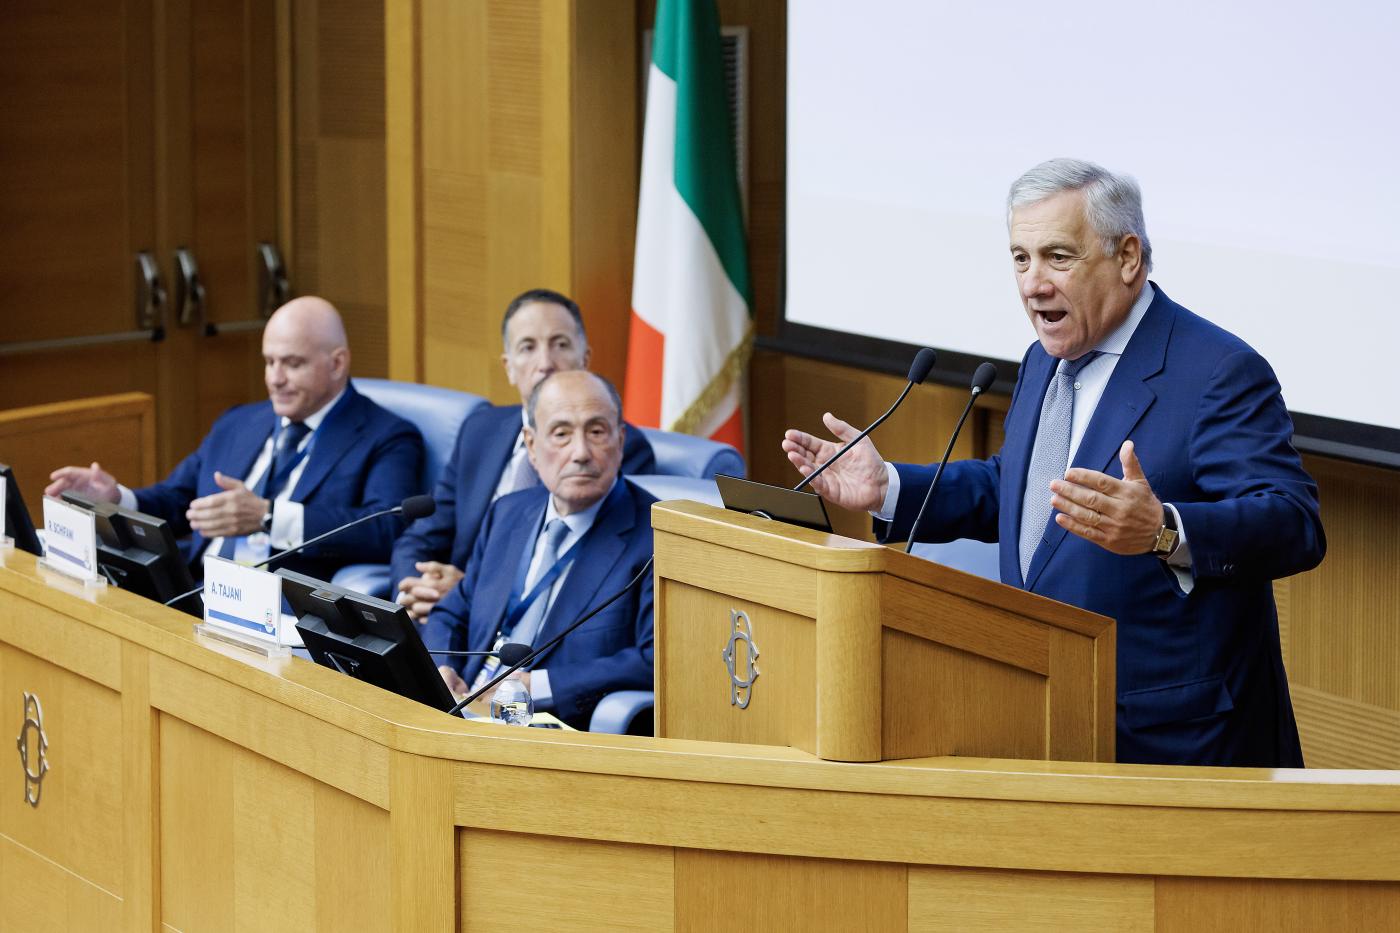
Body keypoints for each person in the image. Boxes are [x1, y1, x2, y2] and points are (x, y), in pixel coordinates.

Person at [782, 158, 1325, 768]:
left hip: (1174, 744)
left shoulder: (1217, 371)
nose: (1032, 285)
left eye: (1058, 257)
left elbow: (1293, 522)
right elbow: (1025, 491)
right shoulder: (1044, 360)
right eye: (1021, 258)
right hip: (1044, 713)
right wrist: (889, 487)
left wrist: (1165, 530)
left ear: (1128, 257)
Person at [46, 296, 423, 581]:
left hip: (279, 612)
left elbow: (385, 529)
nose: (275, 379)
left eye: (292, 364)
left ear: (337, 363)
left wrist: (268, 517)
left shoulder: (387, 436)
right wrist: (117, 499)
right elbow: (180, 500)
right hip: (194, 592)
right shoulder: (239, 422)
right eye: (269, 362)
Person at [391, 288, 655, 619]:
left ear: (585, 360)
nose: (545, 364)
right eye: (528, 347)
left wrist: (468, 595)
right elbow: (421, 537)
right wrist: (416, 589)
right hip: (443, 617)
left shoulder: (614, 446)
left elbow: (594, 569)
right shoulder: (480, 430)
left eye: (560, 345)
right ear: (509, 367)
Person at [422, 370, 655, 730]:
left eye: (596, 432)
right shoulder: (507, 513)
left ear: (620, 441)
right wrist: (443, 668)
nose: (580, 453)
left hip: (551, 728)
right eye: (561, 434)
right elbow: (453, 612)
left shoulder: (655, 538)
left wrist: (539, 686)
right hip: (467, 708)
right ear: (531, 446)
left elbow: (653, 659)